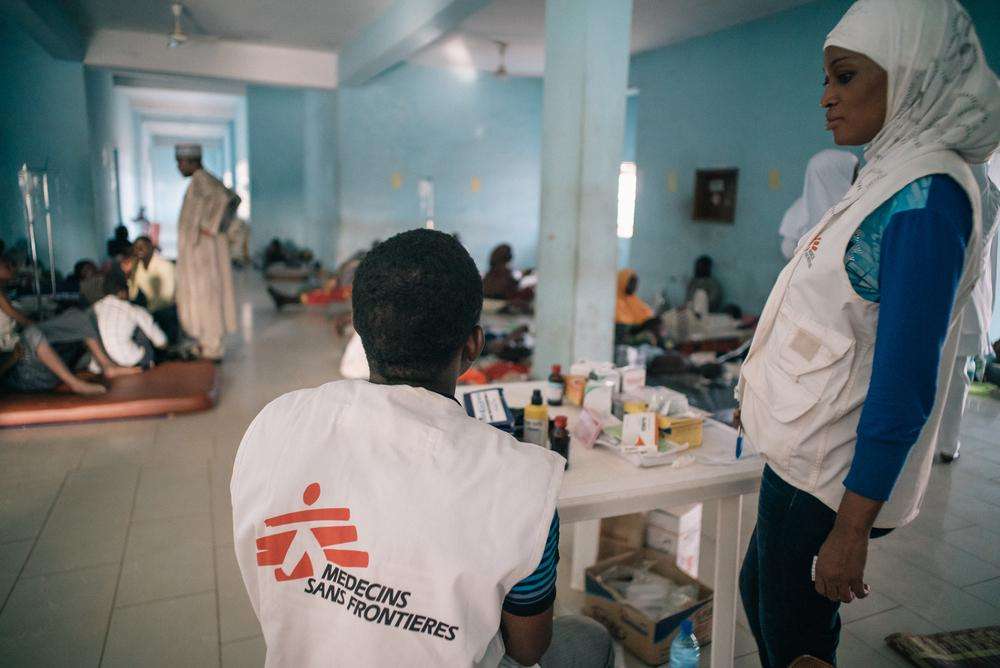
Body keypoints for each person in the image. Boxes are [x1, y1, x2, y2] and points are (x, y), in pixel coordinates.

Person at [736, 2, 1000, 666]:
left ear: (909, 75)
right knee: (765, 597)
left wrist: (851, 528)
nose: (826, 97)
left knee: (793, 636)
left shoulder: (927, 197)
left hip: (824, 470)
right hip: (802, 447)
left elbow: (905, 378)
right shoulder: (886, 173)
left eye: (846, 77)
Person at [232, 229, 612, 668]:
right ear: (472, 346)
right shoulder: (526, 484)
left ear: (360, 329)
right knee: (588, 639)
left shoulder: (275, 423)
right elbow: (528, 650)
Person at [938, 158, 1000, 463]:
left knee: (938, 372)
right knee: (956, 375)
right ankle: (948, 444)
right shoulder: (991, 191)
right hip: (969, 294)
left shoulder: (947, 182)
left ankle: (939, 443)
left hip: (945, 288)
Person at [174, 143, 240, 361]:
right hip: (200, 254)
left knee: (208, 297)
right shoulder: (198, 181)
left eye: (180, 162)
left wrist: (209, 227)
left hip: (205, 255)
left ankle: (212, 347)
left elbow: (228, 198)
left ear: (191, 161)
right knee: (202, 298)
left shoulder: (203, 180)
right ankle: (206, 343)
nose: (178, 166)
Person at [779, 150, 859, 259]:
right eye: (852, 172)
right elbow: (788, 250)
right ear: (835, 176)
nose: (858, 177)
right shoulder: (798, 210)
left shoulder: (858, 204)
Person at [92, 270, 167, 369]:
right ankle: (149, 362)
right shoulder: (132, 309)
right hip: (132, 361)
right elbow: (162, 343)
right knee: (142, 328)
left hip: (105, 362)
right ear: (122, 292)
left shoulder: (95, 307)